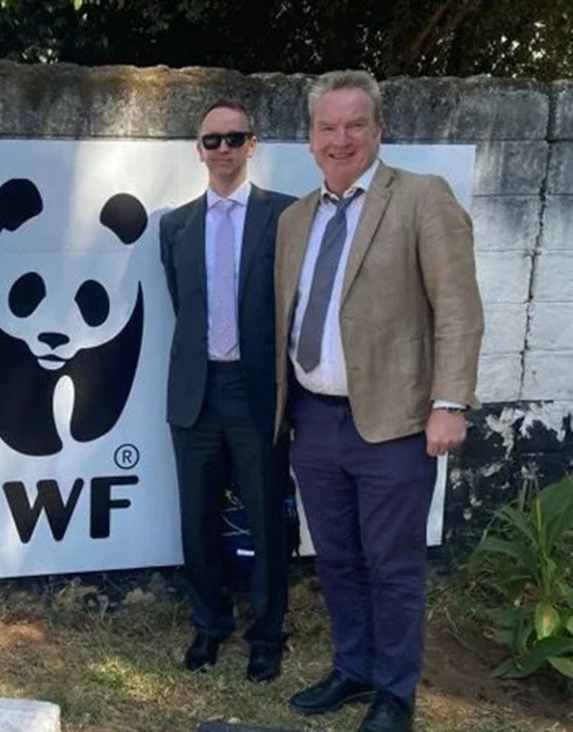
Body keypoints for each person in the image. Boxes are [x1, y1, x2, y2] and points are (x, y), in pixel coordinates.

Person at [275, 71, 483, 732]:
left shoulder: (421, 198)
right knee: (335, 559)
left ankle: (395, 691)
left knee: (392, 565)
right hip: (313, 419)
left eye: (354, 125)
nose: (340, 140)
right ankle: (354, 668)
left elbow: (458, 309)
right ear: (311, 139)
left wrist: (450, 402)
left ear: (379, 131)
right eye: (327, 127)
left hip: (396, 424)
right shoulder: (294, 219)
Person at [159, 99, 295, 683]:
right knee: (197, 518)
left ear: (252, 145)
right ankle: (210, 625)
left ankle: (267, 635)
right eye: (212, 140)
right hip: (195, 391)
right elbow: (182, 303)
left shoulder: (284, 216)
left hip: (256, 390)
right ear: (199, 149)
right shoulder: (175, 225)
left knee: (265, 518)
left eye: (233, 138)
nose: (222, 149)